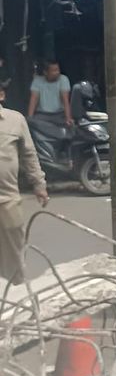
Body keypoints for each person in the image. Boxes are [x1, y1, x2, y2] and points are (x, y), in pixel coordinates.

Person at [0, 86, 49, 284]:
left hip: (8, 200)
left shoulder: (15, 120)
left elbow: (29, 155)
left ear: (1, 95)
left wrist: (39, 185)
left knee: (14, 255)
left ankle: (17, 298)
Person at [28, 60, 72, 127]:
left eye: (58, 70)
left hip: (59, 114)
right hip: (42, 114)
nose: (57, 72)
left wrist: (68, 118)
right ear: (45, 72)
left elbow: (65, 100)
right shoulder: (37, 80)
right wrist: (30, 118)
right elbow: (33, 100)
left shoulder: (63, 79)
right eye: (54, 70)